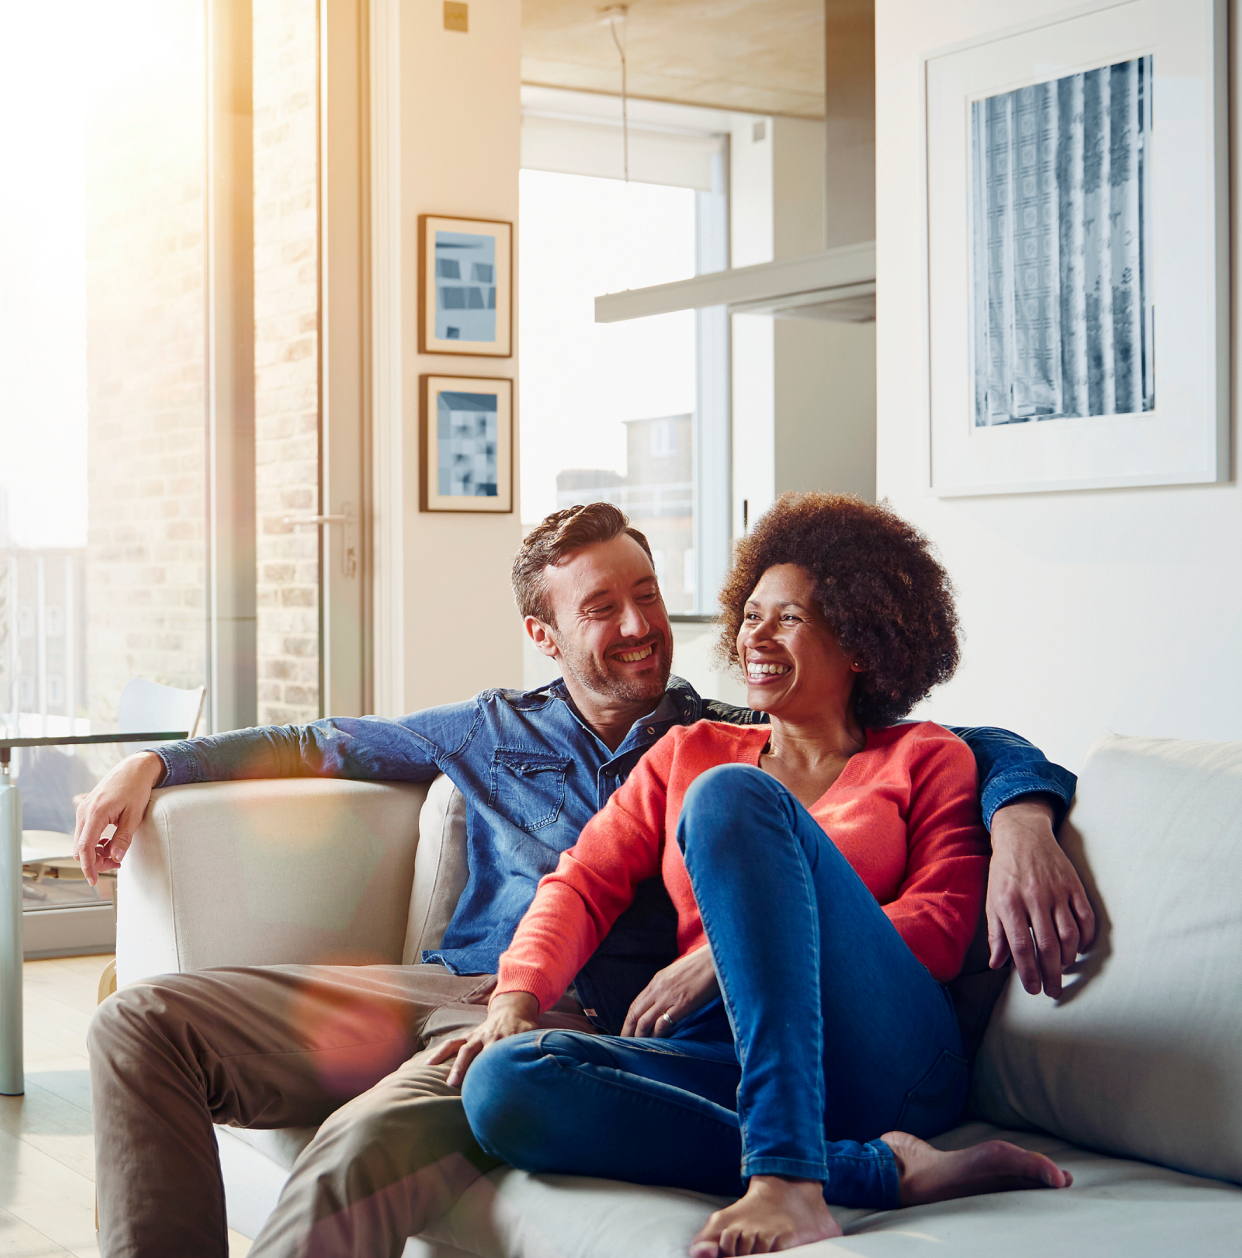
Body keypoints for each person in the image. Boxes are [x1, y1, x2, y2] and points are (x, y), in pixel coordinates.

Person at [79, 502, 1088, 1258]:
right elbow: (551, 863)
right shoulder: (566, 735)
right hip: (478, 990)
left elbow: (972, 754)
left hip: (620, 1012)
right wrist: (158, 762)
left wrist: (1028, 808)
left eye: (649, 594)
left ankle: (799, 1172)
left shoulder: (757, 742)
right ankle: (872, 1166)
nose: (643, 623)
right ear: (546, 634)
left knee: (380, 1136)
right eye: (604, 607)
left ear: (858, 638)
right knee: (137, 1021)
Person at [448, 494, 1073, 1258]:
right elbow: (582, 881)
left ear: (860, 645)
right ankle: (873, 1171)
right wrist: (517, 997)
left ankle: (787, 1184)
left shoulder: (925, 757)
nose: (756, 637)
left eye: (789, 619)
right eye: (750, 615)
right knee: (505, 1083)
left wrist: (727, 956)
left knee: (733, 799)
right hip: (730, 1055)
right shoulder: (688, 751)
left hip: (886, 1057)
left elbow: (942, 932)